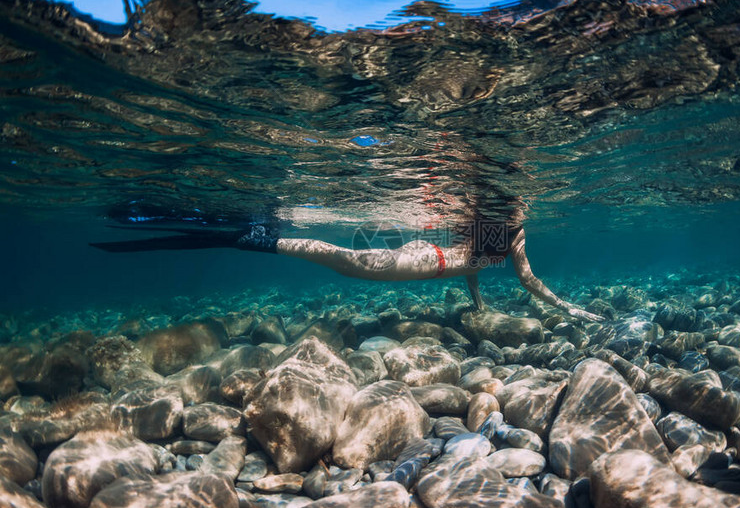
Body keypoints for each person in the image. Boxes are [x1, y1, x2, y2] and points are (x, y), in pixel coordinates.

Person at [92, 219, 603, 322]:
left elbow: (474, 262)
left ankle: (252, 237)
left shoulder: (501, 227)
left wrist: (477, 302)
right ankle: (255, 238)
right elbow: (529, 282)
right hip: (430, 260)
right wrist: (568, 306)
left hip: (434, 260)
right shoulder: (510, 231)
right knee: (353, 263)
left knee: (351, 264)